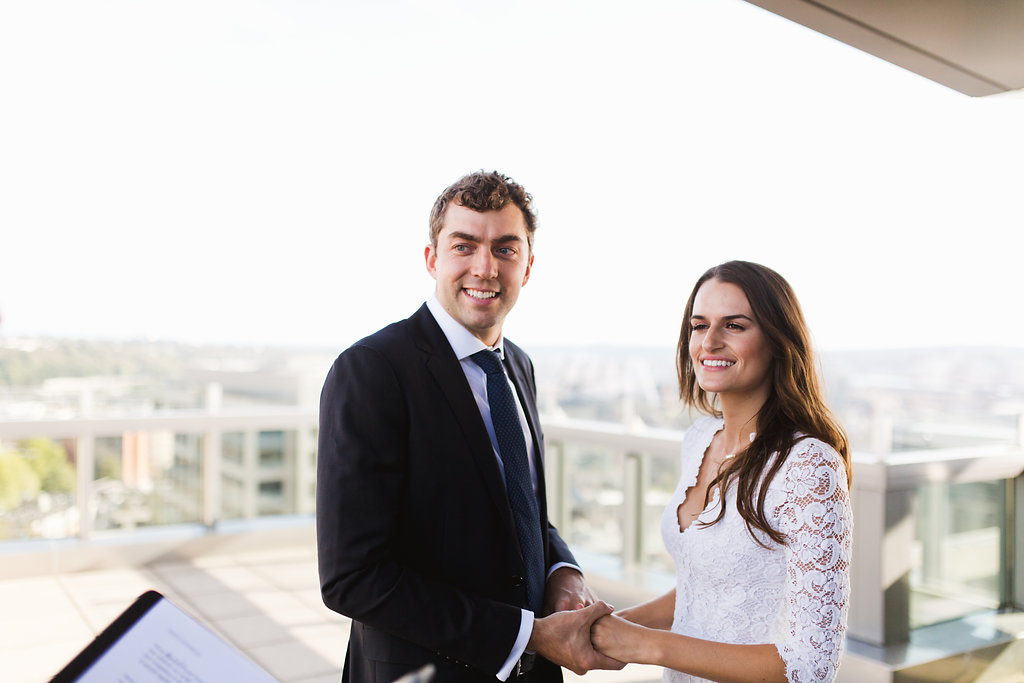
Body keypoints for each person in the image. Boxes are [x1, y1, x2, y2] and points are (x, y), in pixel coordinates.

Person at [317, 170, 623, 683]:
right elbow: (353, 577)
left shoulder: (516, 366)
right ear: (432, 259)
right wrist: (524, 635)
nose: (485, 268)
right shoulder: (372, 370)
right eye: (464, 246)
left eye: (505, 249)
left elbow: (520, 511)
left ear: (527, 267)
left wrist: (561, 571)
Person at [591, 261, 853, 683]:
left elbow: (811, 666)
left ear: (777, 341)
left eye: (734, 325)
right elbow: (709, 587)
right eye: (699, 325)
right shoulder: (699, 439)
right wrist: (611, 624)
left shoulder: (808, 466)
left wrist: (646, 645)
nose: (710, 342)